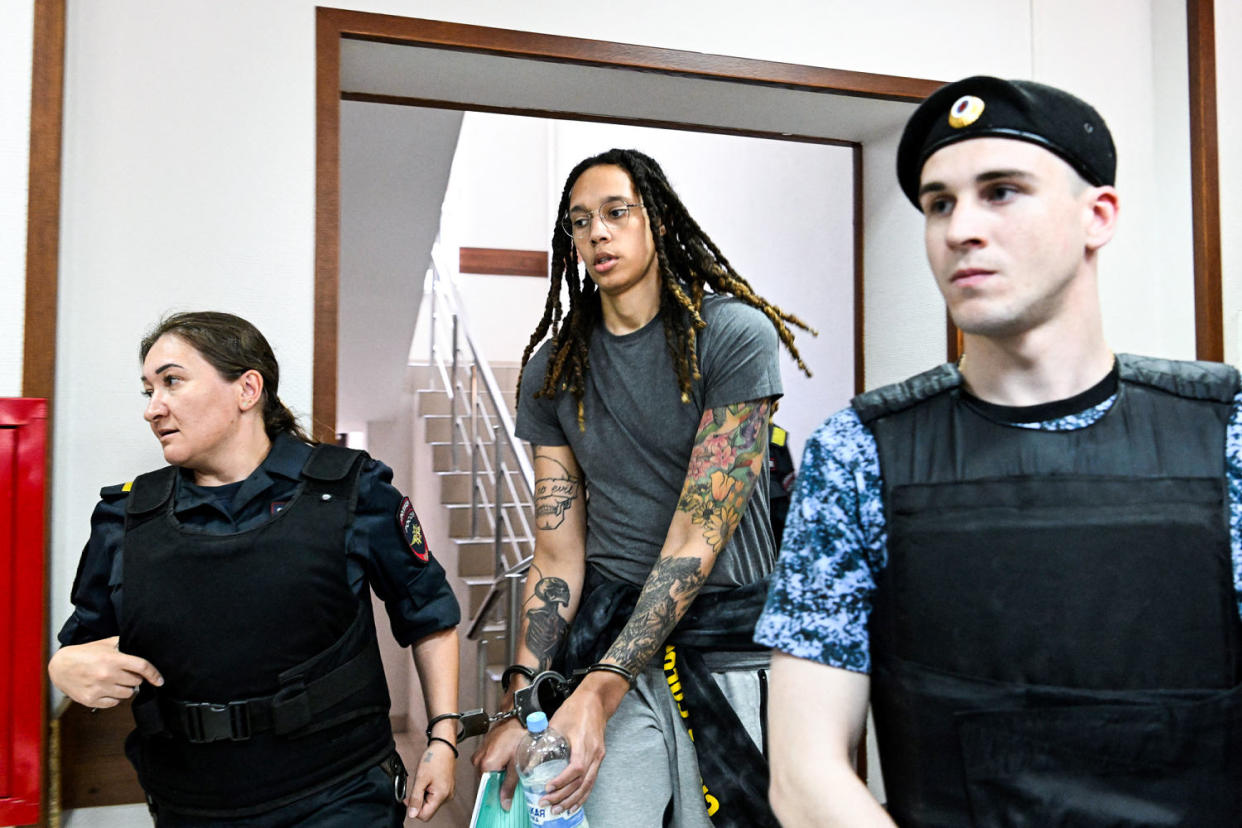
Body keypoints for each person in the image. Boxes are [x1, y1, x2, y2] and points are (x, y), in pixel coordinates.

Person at [757, 75, 1242, 827]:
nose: (959, 230)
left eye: (1002, 191)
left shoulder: (1227, 433)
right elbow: (804, 772)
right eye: (939, 203)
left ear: (1098, 215)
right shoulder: (859, 454)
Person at [472, 148, 813, 826]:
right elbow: (557, 555)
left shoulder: (731, 337)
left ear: (654, 219)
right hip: (608, 641)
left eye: (615, 212)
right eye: (578, 221)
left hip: (720, 641)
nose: (596, 232)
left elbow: (697, 535)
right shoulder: (553, 368)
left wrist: (600, 689)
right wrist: (520, 701)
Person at [48, 311, 463, 826]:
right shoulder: (127, 517)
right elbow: (84, 646)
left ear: (247, 389)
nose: (153, 409)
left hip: (337, 794)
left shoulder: (352, 492)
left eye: (172, 381)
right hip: (191, 806)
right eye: (148, 390)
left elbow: (430, 615)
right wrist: (62, 667)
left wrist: (443, 739)